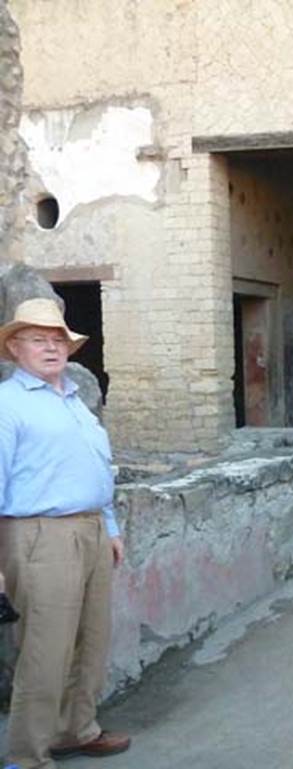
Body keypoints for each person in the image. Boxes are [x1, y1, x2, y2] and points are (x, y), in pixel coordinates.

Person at [0, 298, 130, 768]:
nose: (51, 347)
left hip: (91, 530)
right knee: (44, 649)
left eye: (58, 339)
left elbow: (98, 471)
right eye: (38, 339)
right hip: (39, 536)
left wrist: (110, 527)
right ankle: (27, 755)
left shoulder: (74, 398)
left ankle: (76, 729)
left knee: (90, 640)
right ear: (15, 348)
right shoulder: (7, 404)